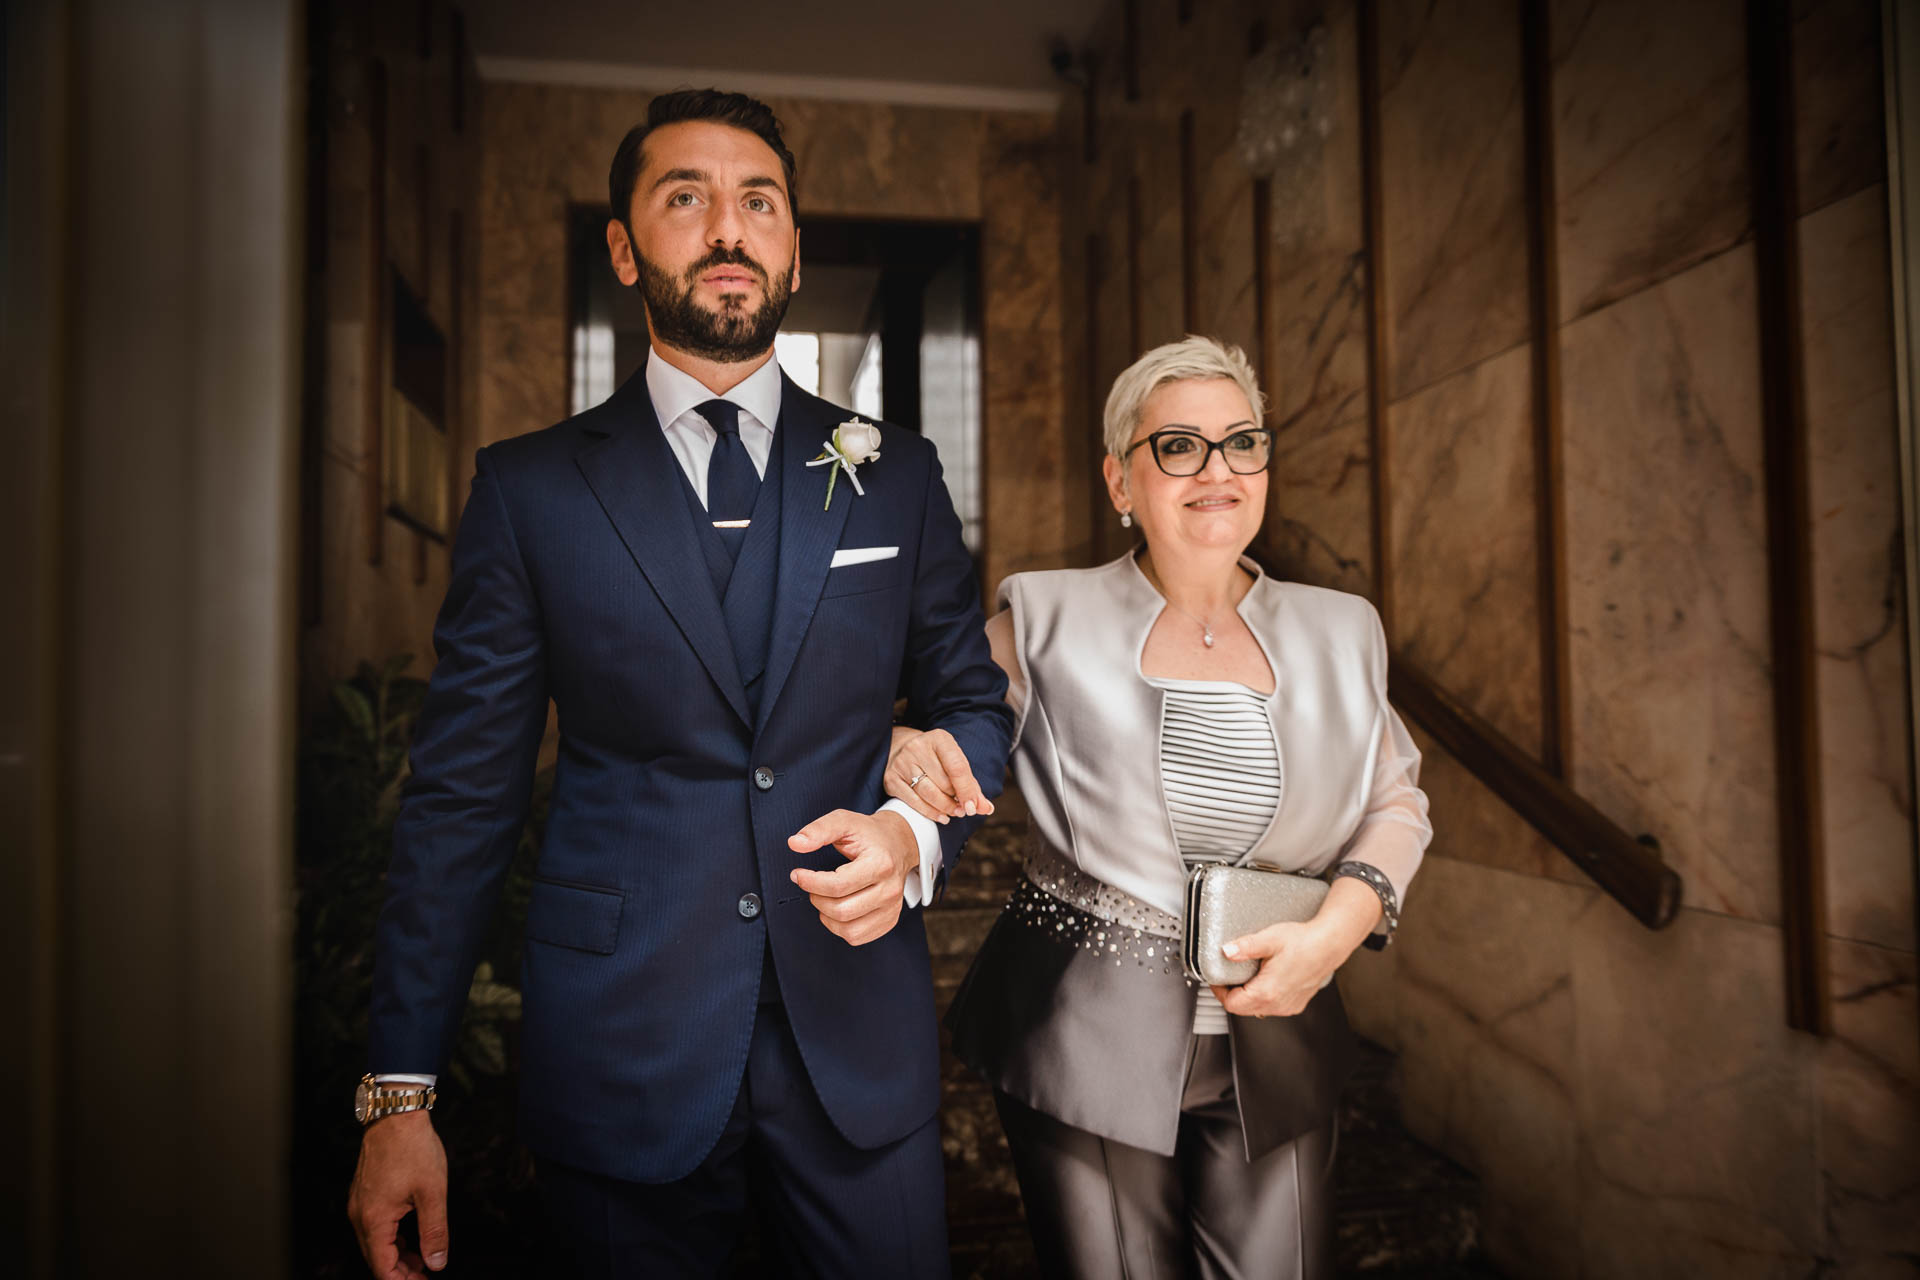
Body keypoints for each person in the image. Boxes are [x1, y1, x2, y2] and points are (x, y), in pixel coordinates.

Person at [346, 88, 1014, 1279]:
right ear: (623, 247)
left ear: (794, 250)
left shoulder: (897, 475)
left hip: (855, 1033)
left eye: (759, 201)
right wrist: (401, 1089)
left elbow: (973, 701)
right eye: (685, 197)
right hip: (623, 1040)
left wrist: (913, 833)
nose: (728, 227)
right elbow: (462, 799)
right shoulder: (529, 491)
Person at [885, 336, 1430, 1279]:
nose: (1218, 471)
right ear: (1120, 481)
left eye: (1242, 443)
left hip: (1282, 1025)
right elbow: (944, 725)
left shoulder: (1346, 630)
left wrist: (1335, 935)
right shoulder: (1045, 618)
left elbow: (1396, 798)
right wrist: (899, 742)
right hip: (1083, 1031)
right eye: (1179, 446)